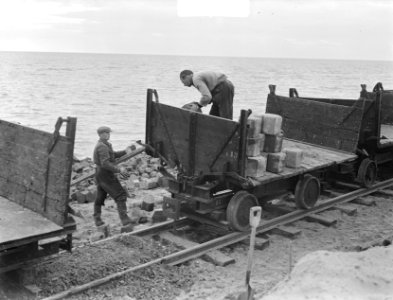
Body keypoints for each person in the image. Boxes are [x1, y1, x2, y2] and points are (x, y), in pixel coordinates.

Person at [93, 126, 132, 227]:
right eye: (107, 133)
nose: (108, 134)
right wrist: (119, 170)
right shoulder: (102, 146)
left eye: (109, 133)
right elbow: (105, 163)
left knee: (100, 197)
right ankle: (125, 220)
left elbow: (112, 155)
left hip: (99, 173)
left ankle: (97, 219)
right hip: (105, 174)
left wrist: (125, 151)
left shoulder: (105, 144)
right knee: (120, 195)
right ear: (102, 134)